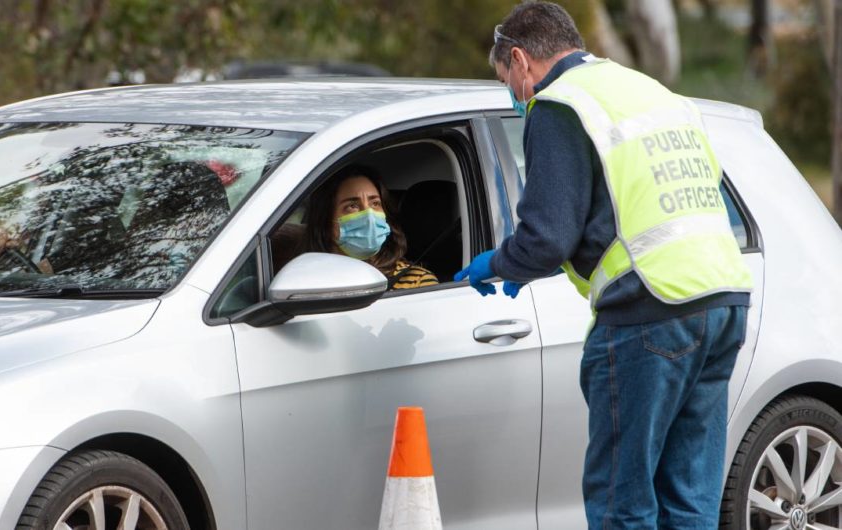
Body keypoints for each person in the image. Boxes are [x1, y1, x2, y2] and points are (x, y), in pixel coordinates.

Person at [455, 2, 753, 528]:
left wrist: (498, 264)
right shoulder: (647, 90)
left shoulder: (558, 105)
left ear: (520, 61)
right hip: (723, 296)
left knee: (623, 502)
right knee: (689, 501)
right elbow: (624, 207)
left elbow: (546, 239)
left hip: (649, 313)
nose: (514, 94)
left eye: (507, 80)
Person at [301, 165, 438, 290]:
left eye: (375, 203)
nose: (369, 215)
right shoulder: (301, 281)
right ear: (325, 220)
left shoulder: (417, 282)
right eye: (352, 206)